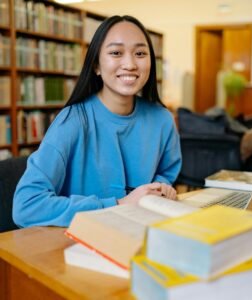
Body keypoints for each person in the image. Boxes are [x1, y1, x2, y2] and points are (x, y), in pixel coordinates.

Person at [13, 15, 182, 228]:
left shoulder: (162, 119)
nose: (130, 64)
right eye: (115, 53)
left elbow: (166, 174)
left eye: (140, 53)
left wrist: (160, 189)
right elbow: (26, 206)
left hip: (139, 233)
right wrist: (120, 204)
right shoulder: (72, 121)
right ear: (96, 66)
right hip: (78, 243)